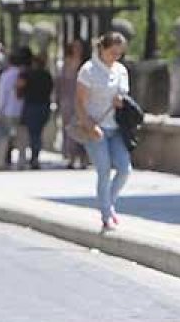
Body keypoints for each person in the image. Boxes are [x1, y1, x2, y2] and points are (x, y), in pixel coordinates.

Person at [77, 32, 133, 232]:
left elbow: (124, 97)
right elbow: (80, 103)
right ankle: (106, 215)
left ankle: (108, 202)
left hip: (116, 128)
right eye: (112, 52)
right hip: (95, 127)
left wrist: (121, 102)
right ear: (102, 49)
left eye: (119, 54)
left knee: (125, 169)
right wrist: (90, 126)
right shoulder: (88, 70)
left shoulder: (121, 71)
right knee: (104, 170)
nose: (115, 57)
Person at [0, 48, 29, 170]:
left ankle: (1, 162)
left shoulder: (5, 75)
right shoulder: (23, 75)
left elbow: (2, 95)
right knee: (21, 138)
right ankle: (22, 161)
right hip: (21, 110)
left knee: (4, 137)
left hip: (7, 110)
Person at [56, 39, 89, 169]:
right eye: (75, 47)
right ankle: (71, 157)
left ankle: (83, 158)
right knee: (69, 129)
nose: (77, 49)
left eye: (79, 47)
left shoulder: (86, 65)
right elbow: (59, 84)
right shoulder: (65, 64)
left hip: (83, 101)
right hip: (67, 101)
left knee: (83, 128)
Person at [19, 52, 55, 170]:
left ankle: (34, 157)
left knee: (33, 133)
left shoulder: (29, 74)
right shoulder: (47, 75)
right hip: (44, 106)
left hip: (32, 106)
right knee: (38, 133)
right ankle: (35, 156)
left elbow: (20, 88)